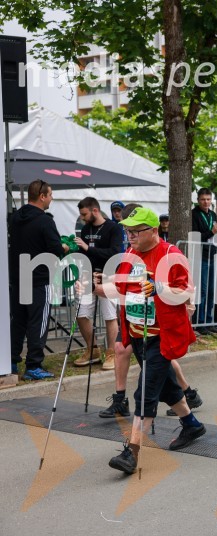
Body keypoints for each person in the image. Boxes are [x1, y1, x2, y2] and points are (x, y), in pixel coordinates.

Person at [97, 207, 205, 474]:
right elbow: (119, 288)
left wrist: (158, 288)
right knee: (166, 387)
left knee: (144, 391)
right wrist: (93, 288)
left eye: (135, 231)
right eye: (127, 231)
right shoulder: (130, 255)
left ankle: (131, 453)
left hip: (161, 336)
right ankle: (192, 425)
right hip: (138, 334)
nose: (129, 236)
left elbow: (185, 293)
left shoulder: (172, 255)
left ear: (153, 231)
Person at [9, 180, 69, 380]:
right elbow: (56, 249)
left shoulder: (15, 217)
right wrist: (65, 248)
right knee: (38, 323)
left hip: (17, 277)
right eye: (50, 195)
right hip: (38, 279)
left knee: (18, 321)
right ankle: (34, 365)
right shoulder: (45, 220)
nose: (51, 198)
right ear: (42, 196)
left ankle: (11, 362)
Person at [73, 197, 122, 370]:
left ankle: (111, 353)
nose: (82, 218)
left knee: (110, 315)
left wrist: (88, 248)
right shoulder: (85, 229)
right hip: (89, 277)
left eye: (84, 214)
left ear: (95, 211)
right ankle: (92, 349)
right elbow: (84, 254)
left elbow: (115, 252)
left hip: (108, 276)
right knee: (81, 313)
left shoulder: (113, 228)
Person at [191, 188, 217, 335]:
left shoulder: (213, 214)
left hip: (213, 255)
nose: (206, 202)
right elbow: (196, 236)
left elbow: (215, 235)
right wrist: (213, 231)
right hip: (200, 257)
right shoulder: (194, 214)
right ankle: (200, 322)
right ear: (198, 200)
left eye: (208, 199)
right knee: (202, 291)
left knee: (211, 291)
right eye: (203, 199)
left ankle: (209, 321)